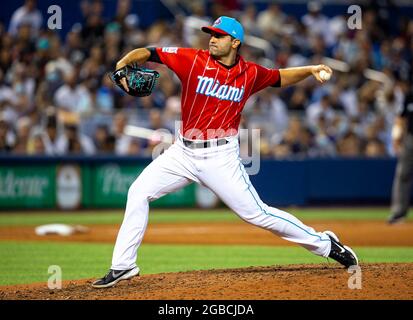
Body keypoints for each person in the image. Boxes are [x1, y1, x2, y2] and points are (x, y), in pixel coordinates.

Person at [92, 16, 358, 288]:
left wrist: (311, 69)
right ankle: (123, 266)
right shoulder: (192, 59)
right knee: (138, 191)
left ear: (235, 42)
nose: (212, 38)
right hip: (182, 152)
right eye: (211, 34)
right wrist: (125, 61)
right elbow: (152, 52)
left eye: (218, 35)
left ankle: (327, 244)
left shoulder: (250, 73)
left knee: (257, 214)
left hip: (221, 158)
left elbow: (279, 77)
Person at [388, 87, 413, 224]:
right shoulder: (409, 95)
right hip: (410, 139)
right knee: (403, 174)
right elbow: (400, 118)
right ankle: (399, 212)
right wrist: (396, 137)